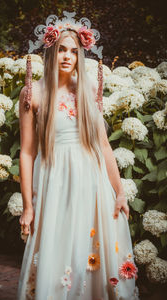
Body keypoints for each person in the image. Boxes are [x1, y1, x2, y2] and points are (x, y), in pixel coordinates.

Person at [17, 11, 140, 300]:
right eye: (62, 49)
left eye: (74, 51)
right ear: (51, 51)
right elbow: (26, 152)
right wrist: (27, 206)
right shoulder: (33, 93)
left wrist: (119, 191)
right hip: (55, 182)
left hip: (91, 183)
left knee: (89, 249)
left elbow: (104, 147)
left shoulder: (87, 92)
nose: (68, 56)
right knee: (58, 248)